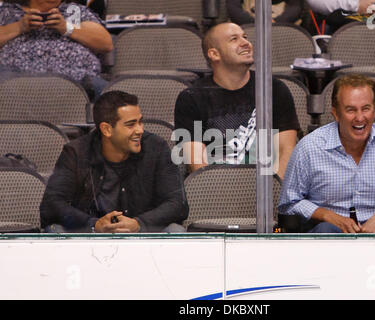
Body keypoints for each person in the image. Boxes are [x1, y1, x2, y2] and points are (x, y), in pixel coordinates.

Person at [278, 74, 375, 233]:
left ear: (374, 109)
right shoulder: (309, 148)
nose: (360, 117)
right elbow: (289, 202)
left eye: (366, 109)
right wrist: (327, 215)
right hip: (328, 233)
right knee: (325, 231)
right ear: (335, 113)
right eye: (351, 110)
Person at [40, 90, 189, 233]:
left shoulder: (156, 147)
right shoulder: (76, 152)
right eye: (131, 124)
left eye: (140, 122)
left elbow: (177, 204)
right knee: (56, 231)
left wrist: (138, 223)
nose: (140, 130)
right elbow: (51, 204)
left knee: (175, 231)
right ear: (106, 129)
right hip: (91, 238)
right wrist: (93, 225)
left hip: (143, 236)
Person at [174, 22, 300, 179]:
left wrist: (275, 195)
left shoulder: (273, 89)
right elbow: (197, 165)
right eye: (234, 39)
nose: (246, 43)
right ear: (214, 54)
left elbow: (286, 152)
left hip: (268, 191)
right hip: (215, 192)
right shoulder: (191, 98)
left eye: (245, 37)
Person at [0, 0, 113, 98]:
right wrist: (20, 26)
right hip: (14, 83)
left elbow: (106, 43)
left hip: (80, 83)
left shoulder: (73, 11)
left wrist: (66, 27)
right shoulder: (7, 12)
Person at [226, 0, 303, 25]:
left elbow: (295, 7)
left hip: (282, 24)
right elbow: (233, 8)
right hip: (249, 24)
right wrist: (257, 23)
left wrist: (276, 22)